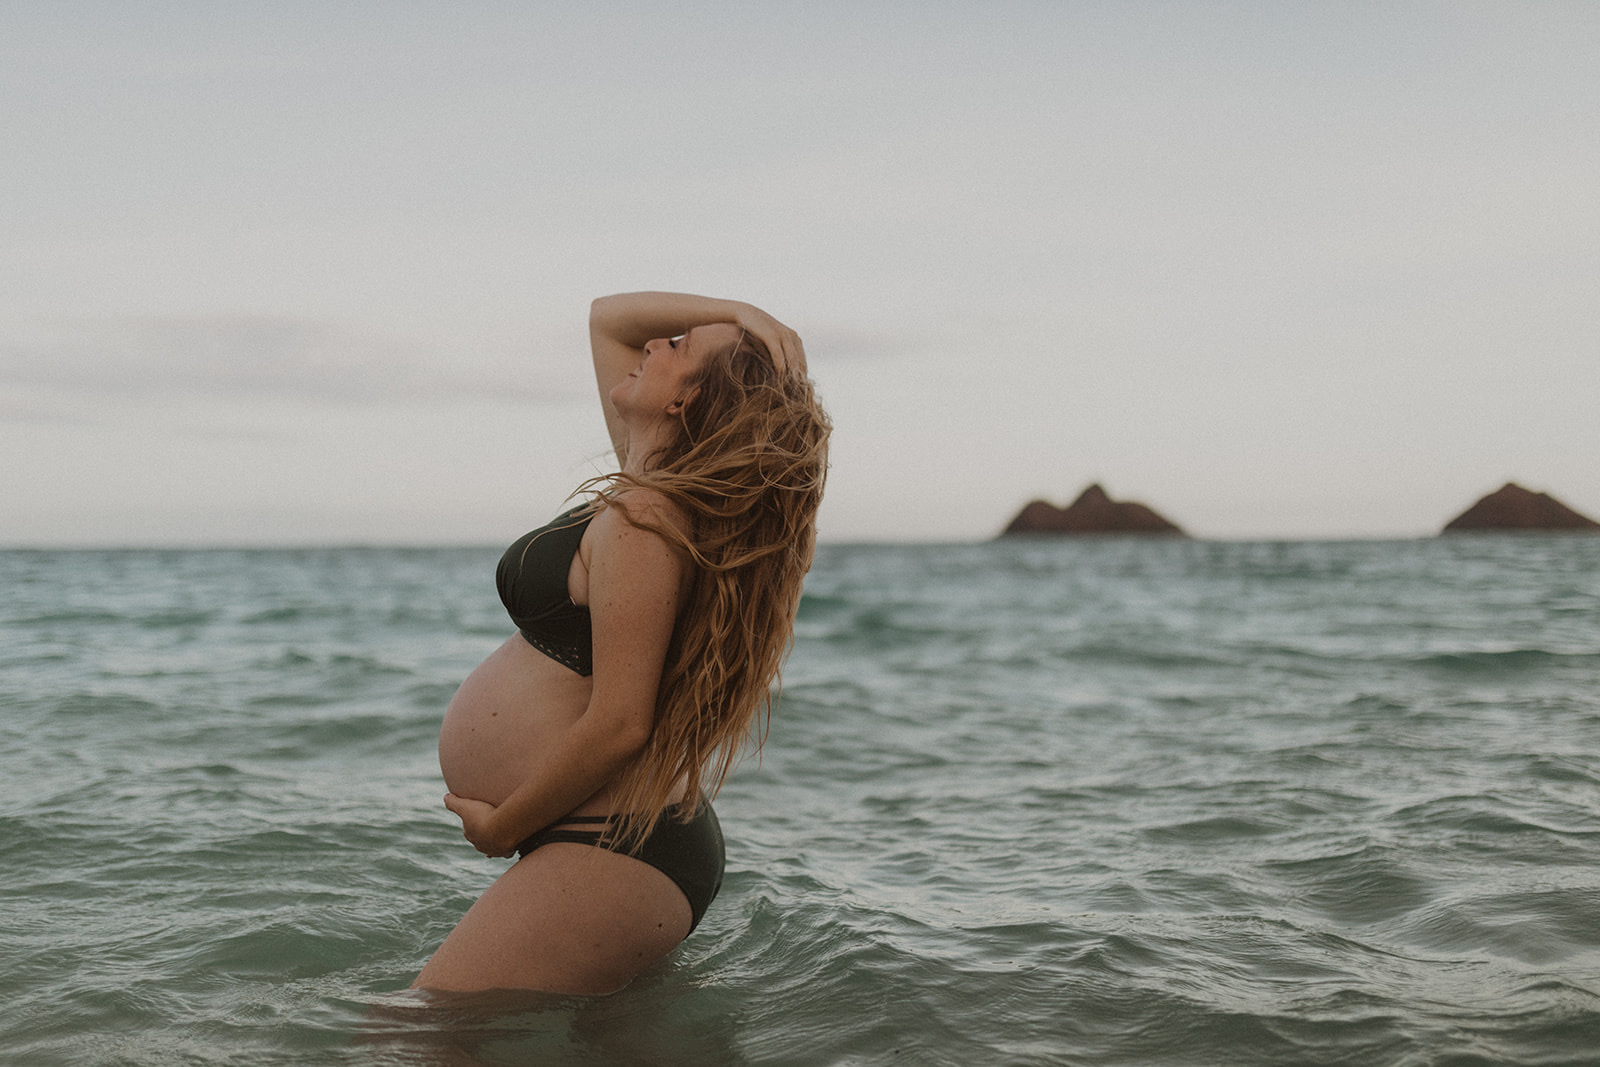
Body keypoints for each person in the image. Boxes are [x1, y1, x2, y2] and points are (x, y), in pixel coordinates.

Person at [412, 292, 829, 994]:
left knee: (415, 1033)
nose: (653, 344)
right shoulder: (649, 480)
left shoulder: (645, 517)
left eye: (678, 347)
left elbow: (621, 721)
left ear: (686, 401)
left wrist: (501, 829)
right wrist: (743, 311)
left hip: (615, 846)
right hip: (617, 841)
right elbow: (609, 316)